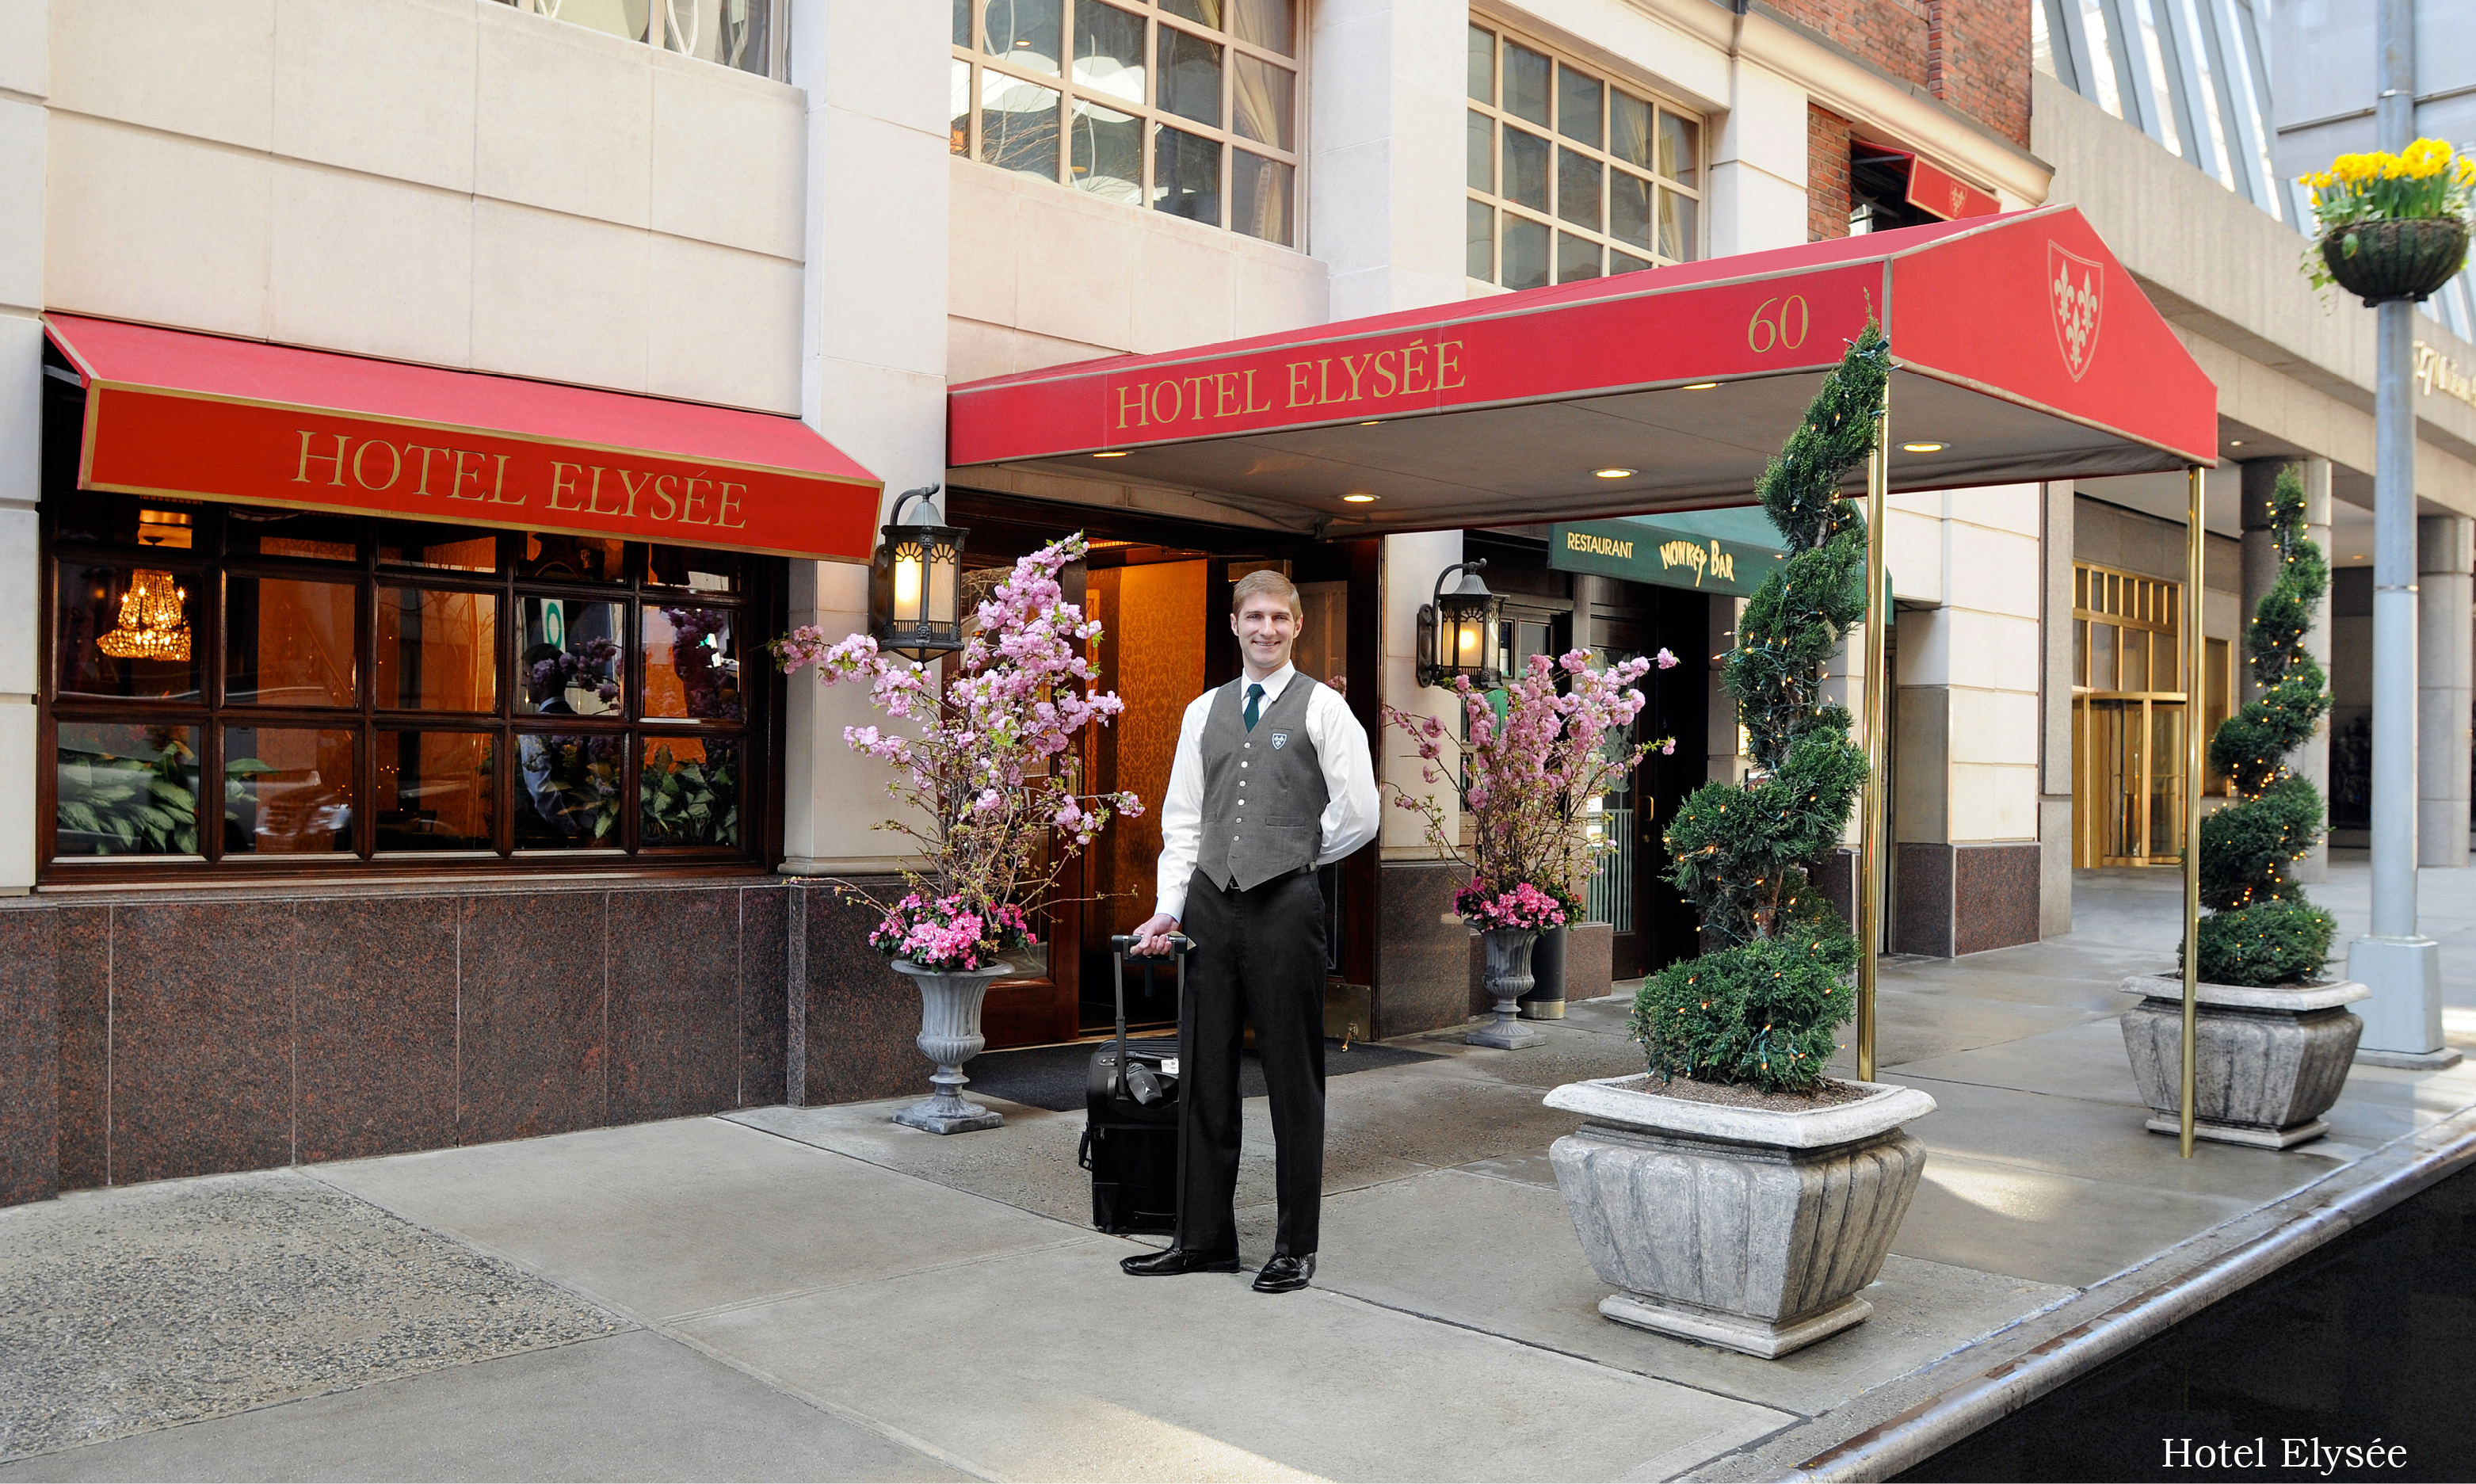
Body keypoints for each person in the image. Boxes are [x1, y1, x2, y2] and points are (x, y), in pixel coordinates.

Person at [1120, 568, 1379, 1293]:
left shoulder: (1325, 709)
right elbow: (1182, 817)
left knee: (1294, 1078)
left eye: (1278, 617)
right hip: (1207, 903)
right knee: (1204, 1072)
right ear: (1233, 625)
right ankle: (1202, 1238)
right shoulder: (1202, 711)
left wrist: (1294, 855)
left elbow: (1359, 813)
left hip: (1284, 907)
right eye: (1253, 616)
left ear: (1297, 626)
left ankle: (1295, 1245)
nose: (1266, 628)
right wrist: (1170, 905)